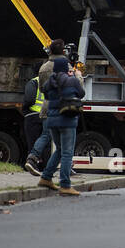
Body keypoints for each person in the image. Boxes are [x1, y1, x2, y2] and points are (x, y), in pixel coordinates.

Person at [37, 56, 84, 196]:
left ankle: (46, 177)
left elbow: (45, 95)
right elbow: (81, 93)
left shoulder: (49, 84)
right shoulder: (72, 81)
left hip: (52, 121)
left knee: (59, 150)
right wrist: (78, 76)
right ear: (66, 68)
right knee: (67, 153)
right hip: (67, 120)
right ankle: (65, 184)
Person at [23, 39, 66, 175]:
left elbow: (42, 89)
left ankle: (33, 159)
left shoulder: (43, 69)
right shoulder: (64, 66)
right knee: (62, 141)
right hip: (60, 108)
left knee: (46, 136)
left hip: (45, 109)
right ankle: (62, 167)